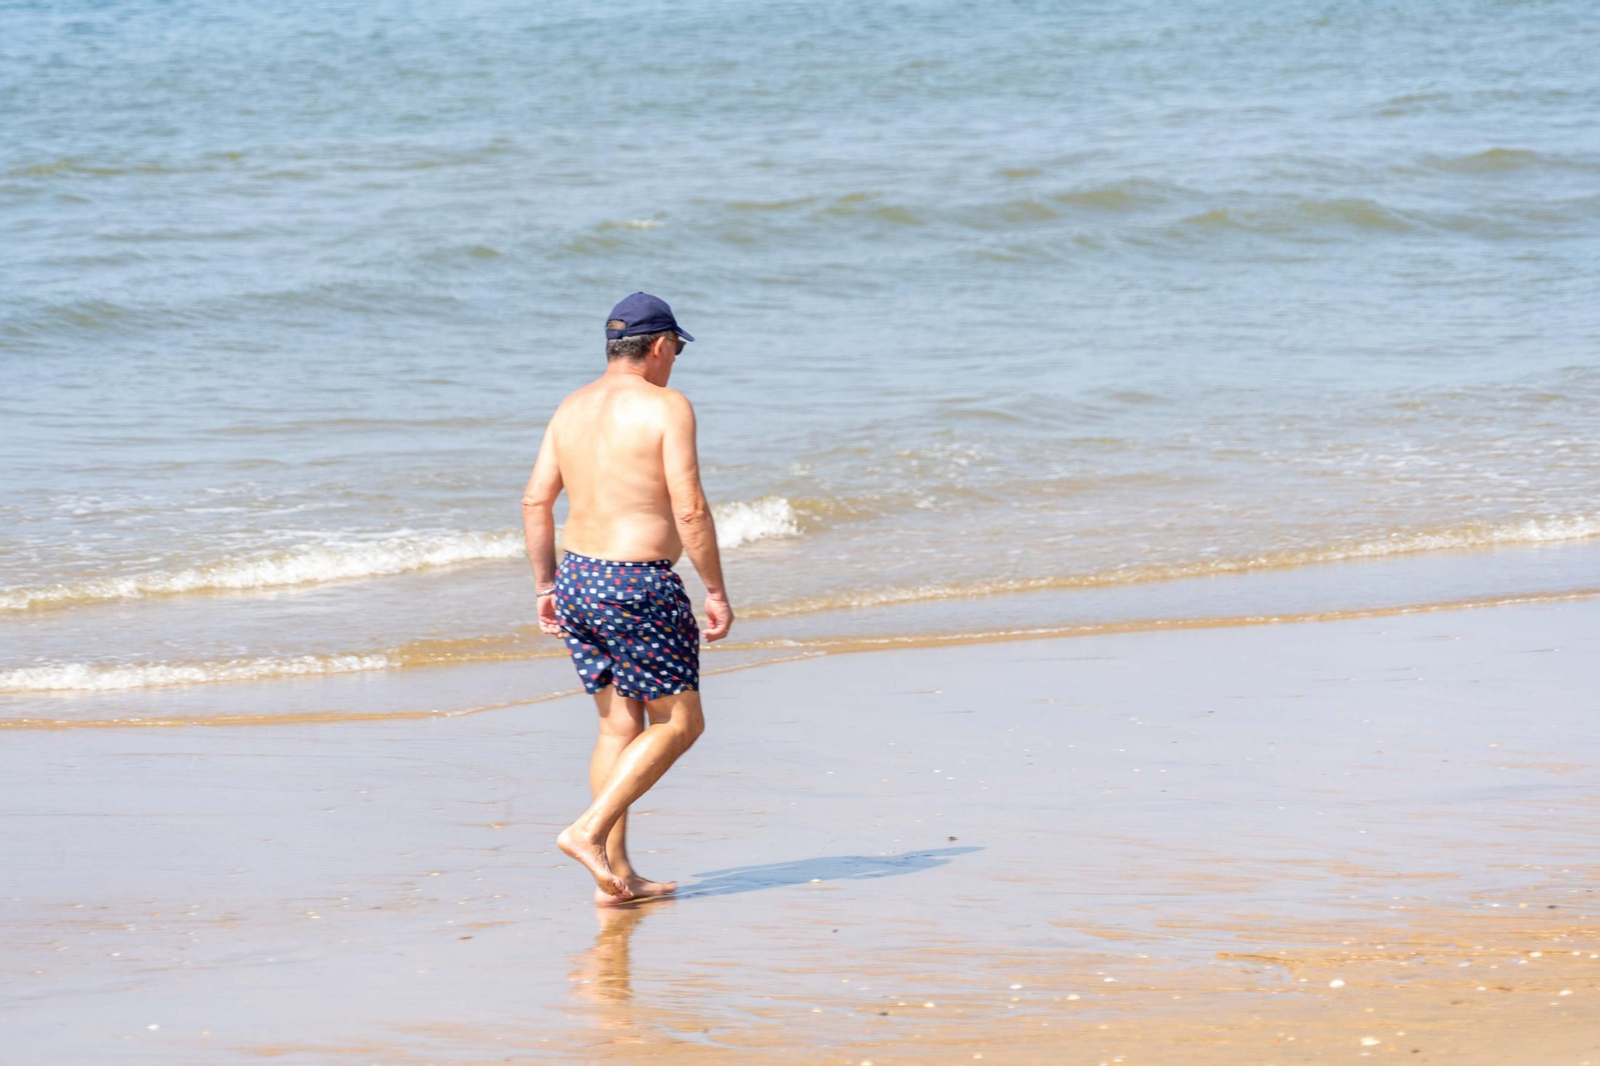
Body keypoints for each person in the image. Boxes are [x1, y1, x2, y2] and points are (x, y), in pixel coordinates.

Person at [521, 292, 734, 905]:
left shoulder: (571, 407)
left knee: (619, 724)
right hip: (637, 583)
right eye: (677, 351)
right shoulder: (666, 406)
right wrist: (714, 588)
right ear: (662, 345)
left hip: (579, 578)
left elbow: (536, 501)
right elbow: (689, 507)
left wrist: (545, 586)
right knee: (681, 722)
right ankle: (586, 832)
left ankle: (616, 877)